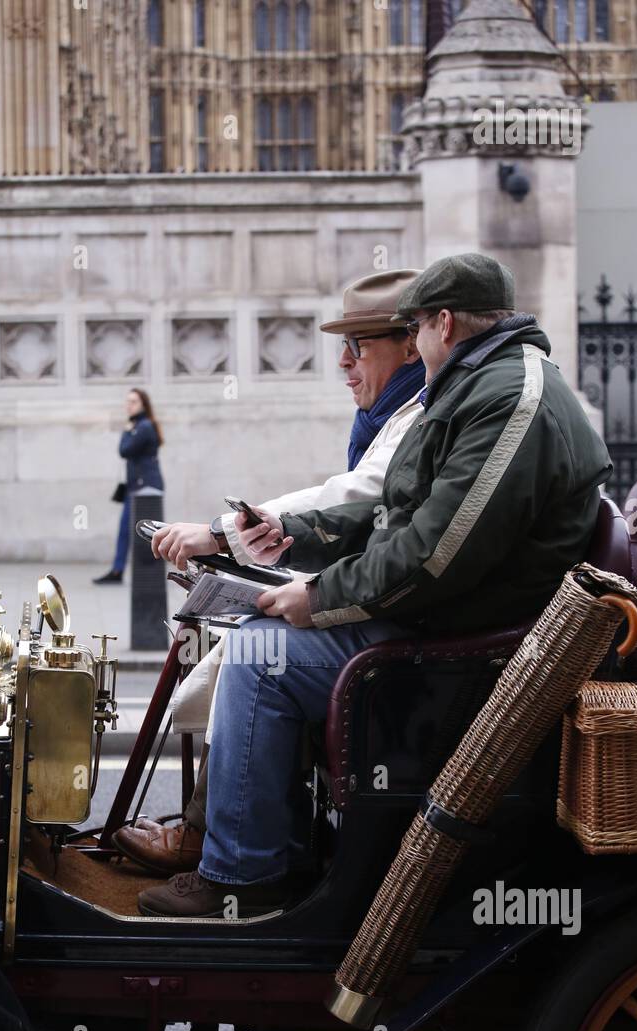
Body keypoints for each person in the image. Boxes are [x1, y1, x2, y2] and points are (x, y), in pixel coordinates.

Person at [135, 252, 613, 918]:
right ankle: (277, 847)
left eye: (412, 328)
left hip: (462, 643)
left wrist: (320, 597)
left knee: (257, 658)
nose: (414, 344)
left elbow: (434, 555)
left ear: (443, 323)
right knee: (259, 631)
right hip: (445, 619)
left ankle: (242, 878)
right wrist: (290, 532)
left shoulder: (509, 397)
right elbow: (392, 502)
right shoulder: (485, 384)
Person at [112, 269, 427, 874]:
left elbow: (354, 497)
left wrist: (223, 532)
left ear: (412, 345)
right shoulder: (392, 413)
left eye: (358, 345)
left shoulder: (419, 414)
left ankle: (238, 867)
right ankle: (215, 830)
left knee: (259, 654)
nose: (343, 361)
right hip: (388, 602)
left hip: (405, 626)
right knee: (247, 633)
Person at [94, 388, 164, 585]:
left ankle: (135, 572)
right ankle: (119, 570)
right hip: (138, 488)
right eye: (127, 401)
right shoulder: (141, 425)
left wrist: (126, 430)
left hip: (145, 489)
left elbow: (124, 450)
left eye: (133, 401)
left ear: (143, 404)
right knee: (128, 530)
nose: (128, 405)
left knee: (145, 533)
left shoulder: (143, 427)